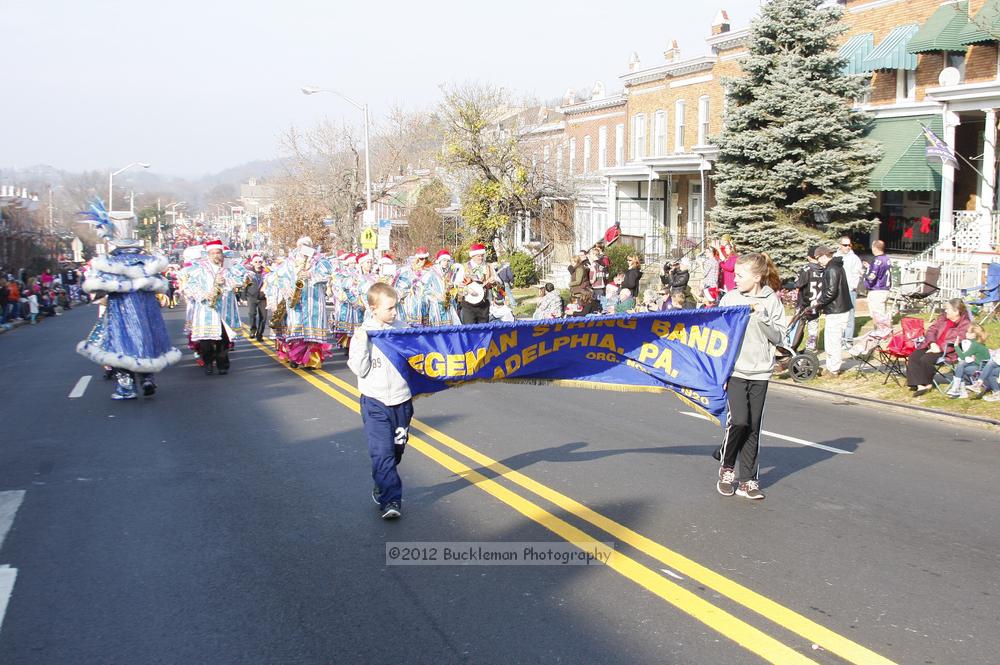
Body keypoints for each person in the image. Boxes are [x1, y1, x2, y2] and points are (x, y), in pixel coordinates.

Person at [76, 199, 181, 399]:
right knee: (146, 342)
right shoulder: (149, 261)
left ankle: (127, 387)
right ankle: (148, 378)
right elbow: (161, 284)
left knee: (120, 346)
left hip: (121, 309)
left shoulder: (110, 262)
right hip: (147, 309)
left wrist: (103, 293)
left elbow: (96, 287)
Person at [716, 253, 786, 501]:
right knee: (740, 421)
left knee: (754, 426)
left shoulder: (771, 301)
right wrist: (720, 370)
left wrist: (760, 314)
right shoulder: (730, 299)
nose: (734, 279)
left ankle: (748, 480)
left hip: (760, 371)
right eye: (734, 274)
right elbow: (719, 336)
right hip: (735, 370)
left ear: (756, 277)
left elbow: (778, 337)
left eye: (740, 275)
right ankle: (727, 467)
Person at [347, 282, 412, 520]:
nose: (395, 312)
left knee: (395, 451)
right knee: (381, 453)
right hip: (374, 402)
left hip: (402, 401)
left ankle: (382, 482)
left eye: (397, 307)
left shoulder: (402, 328)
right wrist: (364, 341)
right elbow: (359, 368)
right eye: (390, 308)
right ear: (373, 308)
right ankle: (391, 499)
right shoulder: (363, 333)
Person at [182, 239, 248, 375]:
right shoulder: (198, 268)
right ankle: (208, 363)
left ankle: (223, 365)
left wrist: (226, 281)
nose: (216, 256)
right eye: (213, 253)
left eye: (218, 253)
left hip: (225, 308)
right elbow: (189, 286)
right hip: (206, 308)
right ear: (208, 254)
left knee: (223, 339)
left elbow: (242, 280)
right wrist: (204, 294)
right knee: (206, 340)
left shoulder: (229, 267)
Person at [906, 299, 972, 396]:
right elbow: (931, 330)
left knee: (926, 359)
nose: (945, 311)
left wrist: (939, 348)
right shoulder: (943, 318)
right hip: (931, 344)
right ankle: (920, 385)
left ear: (956, 311)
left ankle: (927, 383)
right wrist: (932, 343)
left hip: (947, 351)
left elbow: (956, 340)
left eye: (948, 309)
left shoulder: (965, 324)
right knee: (914, 356)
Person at [810, 245, 853, 376]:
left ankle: (833, 369)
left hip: (836, 309)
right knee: (832, 339)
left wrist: (819, 302)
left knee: (833, 340)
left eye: (819, 258)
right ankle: (831, 366)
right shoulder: (836, 266)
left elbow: (831, 291)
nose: (818, 261)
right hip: (839, 308)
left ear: (824, 255)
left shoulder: (832, 269)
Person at [789, 245, 824, 351]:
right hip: (816, 304)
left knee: (797, 326)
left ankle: (791, 347)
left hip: (804, 304)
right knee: (813, 327)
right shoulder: (824, 269)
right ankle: (811, 348)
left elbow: (798, 284)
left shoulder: (806, 269)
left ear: (809, 257)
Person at [454, 243, 498, 325]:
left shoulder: (488, 266)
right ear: (473, 256)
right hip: (468, 305)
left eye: (482, 255)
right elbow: (457, 284)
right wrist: (467, 289)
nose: (481, 258)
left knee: (483, 331)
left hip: (484, 305)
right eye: (478, 256)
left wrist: (493, 282)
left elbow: (497, 282)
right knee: (469, 330)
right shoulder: (464, 267)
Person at [946, 324, 991, 399]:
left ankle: (958, 389)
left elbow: (963, 356)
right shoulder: (977, 342)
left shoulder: (975, 344)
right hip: (980, 366)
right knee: (961, 365)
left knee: (960, 366)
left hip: (981, 370)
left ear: (974, 335)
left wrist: (956, 346)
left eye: (968, 332)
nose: (966, 333)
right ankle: (959, 390)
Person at [838, 237, 863, 348]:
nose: (847, 247)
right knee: (839, 315)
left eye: (849, 245)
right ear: (840, 245)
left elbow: (857, 274)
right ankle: (840, 339)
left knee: (850, 316)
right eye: (845, 245)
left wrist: (852, 287)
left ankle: (848, 340)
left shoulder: (854, 258)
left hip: (849, 290)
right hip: (838, 291)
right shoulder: (835, 257)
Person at [862, 240, 892, 335]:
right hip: (885, 289)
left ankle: (880, 333)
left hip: (877, 290)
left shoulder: (877, 260)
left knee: (877, 314)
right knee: (883, 312)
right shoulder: (887, 258)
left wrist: (864, 277)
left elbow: (872, 277)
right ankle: (884, 331)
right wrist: (869, 267)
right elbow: (881, 271)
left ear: (874, 247)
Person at [244, 254, 268, 341]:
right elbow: (245, 285)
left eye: (260, 262)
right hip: (251, 297)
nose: (258, 263)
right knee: (252, 314)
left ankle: (259, 334)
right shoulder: (249, 273)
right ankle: (252, 330)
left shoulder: (266, 273)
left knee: (264, 317)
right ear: (253, 263)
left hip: (263, 298)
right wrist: (244, 298)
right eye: (256, 262)